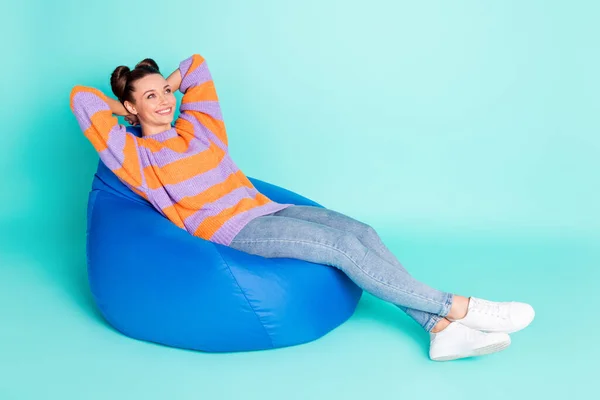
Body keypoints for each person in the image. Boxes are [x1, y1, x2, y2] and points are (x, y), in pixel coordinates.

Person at [70, 53, 535, 361]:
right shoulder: (137, 157)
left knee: (360, 232)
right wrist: (128, 105)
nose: (166, 101)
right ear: (130, 108)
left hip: (262, 207)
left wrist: (159, 85)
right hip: (232, 230)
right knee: (340, 249)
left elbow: (195, 67)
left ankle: (439, 329)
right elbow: (82, 101)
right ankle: (460, 308)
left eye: (167, 93)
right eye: (150, 97)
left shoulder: (199, 128)